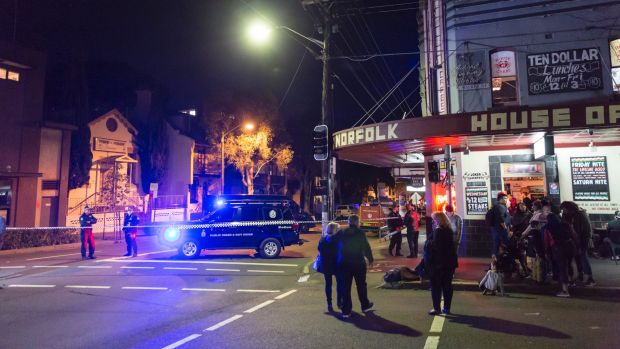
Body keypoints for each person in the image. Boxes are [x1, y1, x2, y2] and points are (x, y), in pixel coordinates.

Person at [337, 214, 374, 319]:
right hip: (358, 263)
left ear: (349, 222)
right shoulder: (360, 233)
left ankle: (346, 311)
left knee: (345, 287)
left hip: (344, 263)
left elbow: (336, 246)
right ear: (357, 222)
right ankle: (365, 306)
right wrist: (370, 259)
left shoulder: (342, 232)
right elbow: (366, 246)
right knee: (361, 285)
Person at [426, 212, 458, 315]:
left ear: (438, 220)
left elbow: (436, 246)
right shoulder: (449, 230)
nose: (432, 221)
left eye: (434, 219)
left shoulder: (438, 231)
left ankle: (437, 308)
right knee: (447, 285)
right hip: (449, 262)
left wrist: (429, 243)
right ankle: (447, 308)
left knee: (436, 286)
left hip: (438, 263)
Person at [560, 201, 595, 286]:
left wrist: (584, 241)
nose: (563, 211)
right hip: (572, 240)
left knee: (583, 257)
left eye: (564, 209)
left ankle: (589, 278)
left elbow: (587, 229)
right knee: (576, 258)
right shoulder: (566, 216)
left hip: (582, 239)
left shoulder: (580, 214)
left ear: (570, 208)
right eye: (562, 210)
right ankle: (581, 275)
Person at [544, 213, 577, 298]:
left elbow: (546, 241)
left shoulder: (548, 227)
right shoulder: (565, 224)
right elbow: (574, 235)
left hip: (559, 248)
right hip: (570, 246)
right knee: (569, 264)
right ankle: (571, 282)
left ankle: (565, 290)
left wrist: (547, 252)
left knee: (562, 268)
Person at [318, 222, 342, 312]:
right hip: (336, 265)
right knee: (340, 284)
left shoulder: (323, 239)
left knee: (328, 284)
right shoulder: (337, 240)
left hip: (326, 265)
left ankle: (329, 304)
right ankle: (339, 302)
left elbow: (319, 249)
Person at [490, 192, 511, 257]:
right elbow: (501, 219)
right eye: (505, 198)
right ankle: (496, 262)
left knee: (497, 244)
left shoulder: (499, 206)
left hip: (498, 229)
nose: (506, 200)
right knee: (500, 244)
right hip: (500, 230)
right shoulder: (500, 207)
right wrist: (505, 229)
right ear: (500, 199)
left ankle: (496, 260)